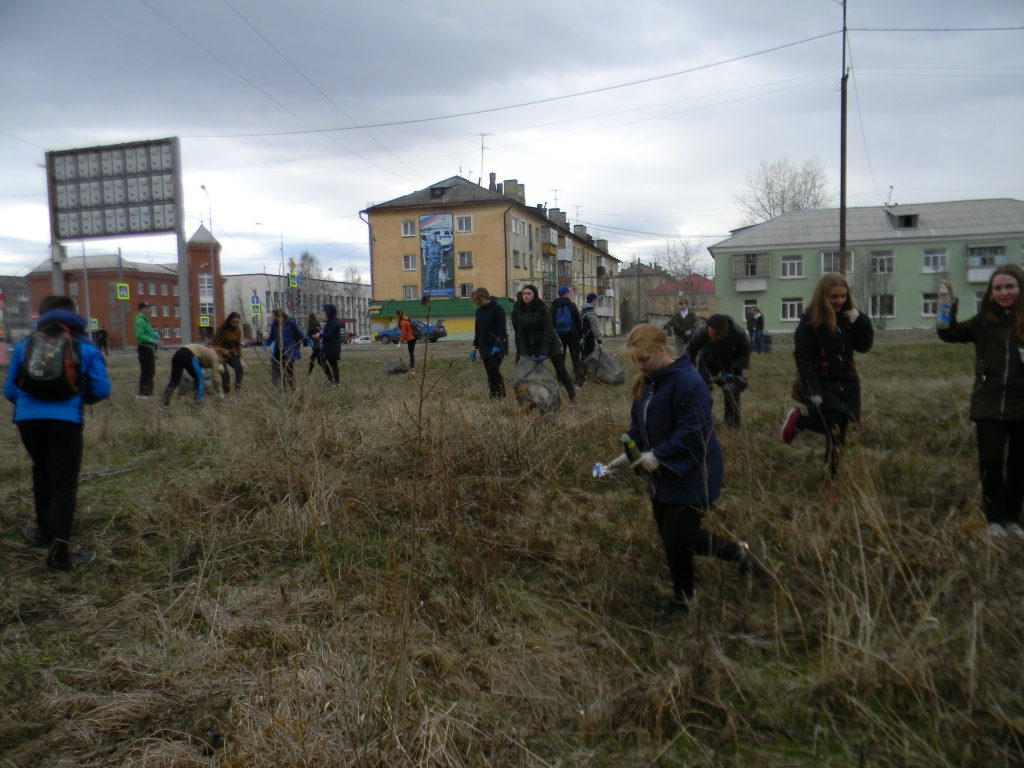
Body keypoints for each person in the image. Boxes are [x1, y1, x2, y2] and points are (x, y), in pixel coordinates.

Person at [601, 324, 764, 619]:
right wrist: (622, 461)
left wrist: (659, 456)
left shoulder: (689, 383)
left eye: (645, 359)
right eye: (635, 361)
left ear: (662, 351)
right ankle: (740, 556)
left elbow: (695, 431)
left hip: (693, 473)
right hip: (662, 476)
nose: (640, 366)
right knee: (673, 536)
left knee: (679, 538)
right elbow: (637, 430)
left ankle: (684, 601)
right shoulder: (647, 385)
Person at [5, 295, 111, 571]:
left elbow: (9, 391)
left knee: (41, 472)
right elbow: (101, 389)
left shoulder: (25, 345)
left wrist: (32, 405)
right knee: (64, 485)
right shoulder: (85, 346)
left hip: (28, 421)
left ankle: (43, 532)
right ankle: (60, 556)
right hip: (65, 422)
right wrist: (75, 395)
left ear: (40, 315)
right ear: (74, 315)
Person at [936, 266, 1024, 538]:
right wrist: (946, 305)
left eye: (1009, 286)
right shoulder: (984, 321)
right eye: (997, 288)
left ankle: (1013, 519)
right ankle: (994, 519)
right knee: (990, 460)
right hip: (988, 404)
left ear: (1020, 289)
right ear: (991, 292)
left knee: (1020, 466)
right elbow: (948, 333)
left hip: (1022, 406)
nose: (1003, 292)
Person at [781, 273, 874, 496]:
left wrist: (862, 321)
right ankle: (799, 422)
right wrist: (812, 389)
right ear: (823, 295)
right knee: (832, 425)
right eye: (834, 297)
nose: (840, 301)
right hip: (821, 382)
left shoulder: (848, 319)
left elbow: (864, 346)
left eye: (843, 296)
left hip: (848, 383)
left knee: (839, 433)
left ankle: (829, 482)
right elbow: (802, 357)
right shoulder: (809, 321)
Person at [512, 284, 577, 405]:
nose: (525, 296)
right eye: (524, 294)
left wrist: (544, 351)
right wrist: (525, 351)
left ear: (534, 295)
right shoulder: (522, 311)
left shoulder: (543, 310)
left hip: (550, 345)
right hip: (533, 346)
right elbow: (521, 333)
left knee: (561, 370)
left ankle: (572, 396)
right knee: (531, 373)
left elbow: (549, 331)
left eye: (529, 294)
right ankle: (534, 398)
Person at [685, 314, 752, 428]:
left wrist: (731, 373)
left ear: (725, 331)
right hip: (708, 362)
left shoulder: (739, 333)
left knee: (731, 390)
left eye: (717, 335)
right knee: (702, 390)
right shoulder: (702, 332)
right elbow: (690, 351)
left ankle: (732, 425)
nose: (713, 337)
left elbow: (745, 354)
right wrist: (687, 369)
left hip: (731, 363)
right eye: (710, 333)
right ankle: (703, 422)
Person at [160, 344, 229, 409]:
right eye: (224, 361)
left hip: (178, 353)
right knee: (200, 379)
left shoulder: (210, 352)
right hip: (188, 354)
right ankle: (197, 404)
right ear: (221, 356)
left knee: (174, 381)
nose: (222, 363)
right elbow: (215, 377)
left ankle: (164, 405)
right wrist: (219, 391)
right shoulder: (216, 357)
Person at [470, 287, 508, 399]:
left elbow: (502, 328)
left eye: (477, 300)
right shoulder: (479, 311)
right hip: (484, 347)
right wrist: (474, 347)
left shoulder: (498, 309)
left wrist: (497, 345)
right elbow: (478, 331)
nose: (476, 302)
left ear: (483, 297)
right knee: (489, 373)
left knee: (493, 370)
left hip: (497, 346)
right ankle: (494, 395)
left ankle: (501, 395)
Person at [265, 309, 310, 389]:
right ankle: (283, 389)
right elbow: (272, 337)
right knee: (280, 371)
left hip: (289, 351)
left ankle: (293, 388)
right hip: (279, 351)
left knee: (289, 371)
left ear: (281, 316)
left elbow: (299, 333)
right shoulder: (274, 325)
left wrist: (307, 340)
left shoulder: (291, 323)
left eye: (274, 316)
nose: (273, 318)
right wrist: (267, 342)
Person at [550, 285, 585, 387]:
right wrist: (580, 335)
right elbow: (578, 322)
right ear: (566, 294)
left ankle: (560, 381)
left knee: (560, 360)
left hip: (559, 337)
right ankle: (579, 382)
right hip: (573, 336)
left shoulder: (553, 307)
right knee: (575, 359)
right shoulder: (572, 306)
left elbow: (550, 323)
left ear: (559, 295)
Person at [212, 312, 245, 393]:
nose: (236, 324)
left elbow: (238, 345)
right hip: (221, 354)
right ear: (229, 321)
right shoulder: (224, 330)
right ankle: (227, 392)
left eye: (237, 322)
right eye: (234, 322)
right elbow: (217, 346)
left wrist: (241, 359)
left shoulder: (238, 331)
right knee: (225, 373)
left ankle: (238, 389)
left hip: (231, 354)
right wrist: (220, 363)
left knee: (239, 368)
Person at [134, 301, 160, 397]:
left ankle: (148, 392)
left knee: (151, 371)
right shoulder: (140, 320)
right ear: (141, 310)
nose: (149, 310)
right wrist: (151, 340)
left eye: (150, 308)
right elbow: (139, 336)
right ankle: (143, 393)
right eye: (147, 308)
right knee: (147, 371)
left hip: (148, 348)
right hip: (144, 348)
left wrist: (154, 342)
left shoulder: (145, 320)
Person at [320, 304, 343, 385]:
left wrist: (320, 335)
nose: (323, 314)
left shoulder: (333, 322)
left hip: (332, 347)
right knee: (322, 360)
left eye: (324, 312)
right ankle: (331, 378)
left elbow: (330, 335)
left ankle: (336, 381)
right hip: (329, 347)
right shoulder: (330, 321)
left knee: (333, 364)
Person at [580, 292, 603, 359]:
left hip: (581, 338)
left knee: (584, 357)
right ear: (593, 300)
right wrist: (599, 341)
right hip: (589, 339)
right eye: (596, 300)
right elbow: (595, 328)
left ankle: (583, 368)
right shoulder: (591, 313)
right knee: (589, 358)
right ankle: (587, 369)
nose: (596, 303)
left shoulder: (582, 311)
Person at [396, 308, 418, 374]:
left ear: (398, 315)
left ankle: (412, 369)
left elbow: (404, 333)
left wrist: (400, 342)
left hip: (410, 338)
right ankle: (411, 368)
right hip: (413, 337)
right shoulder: (406, 317)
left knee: (411, 354)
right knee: (411, 353)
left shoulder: (402, 321)